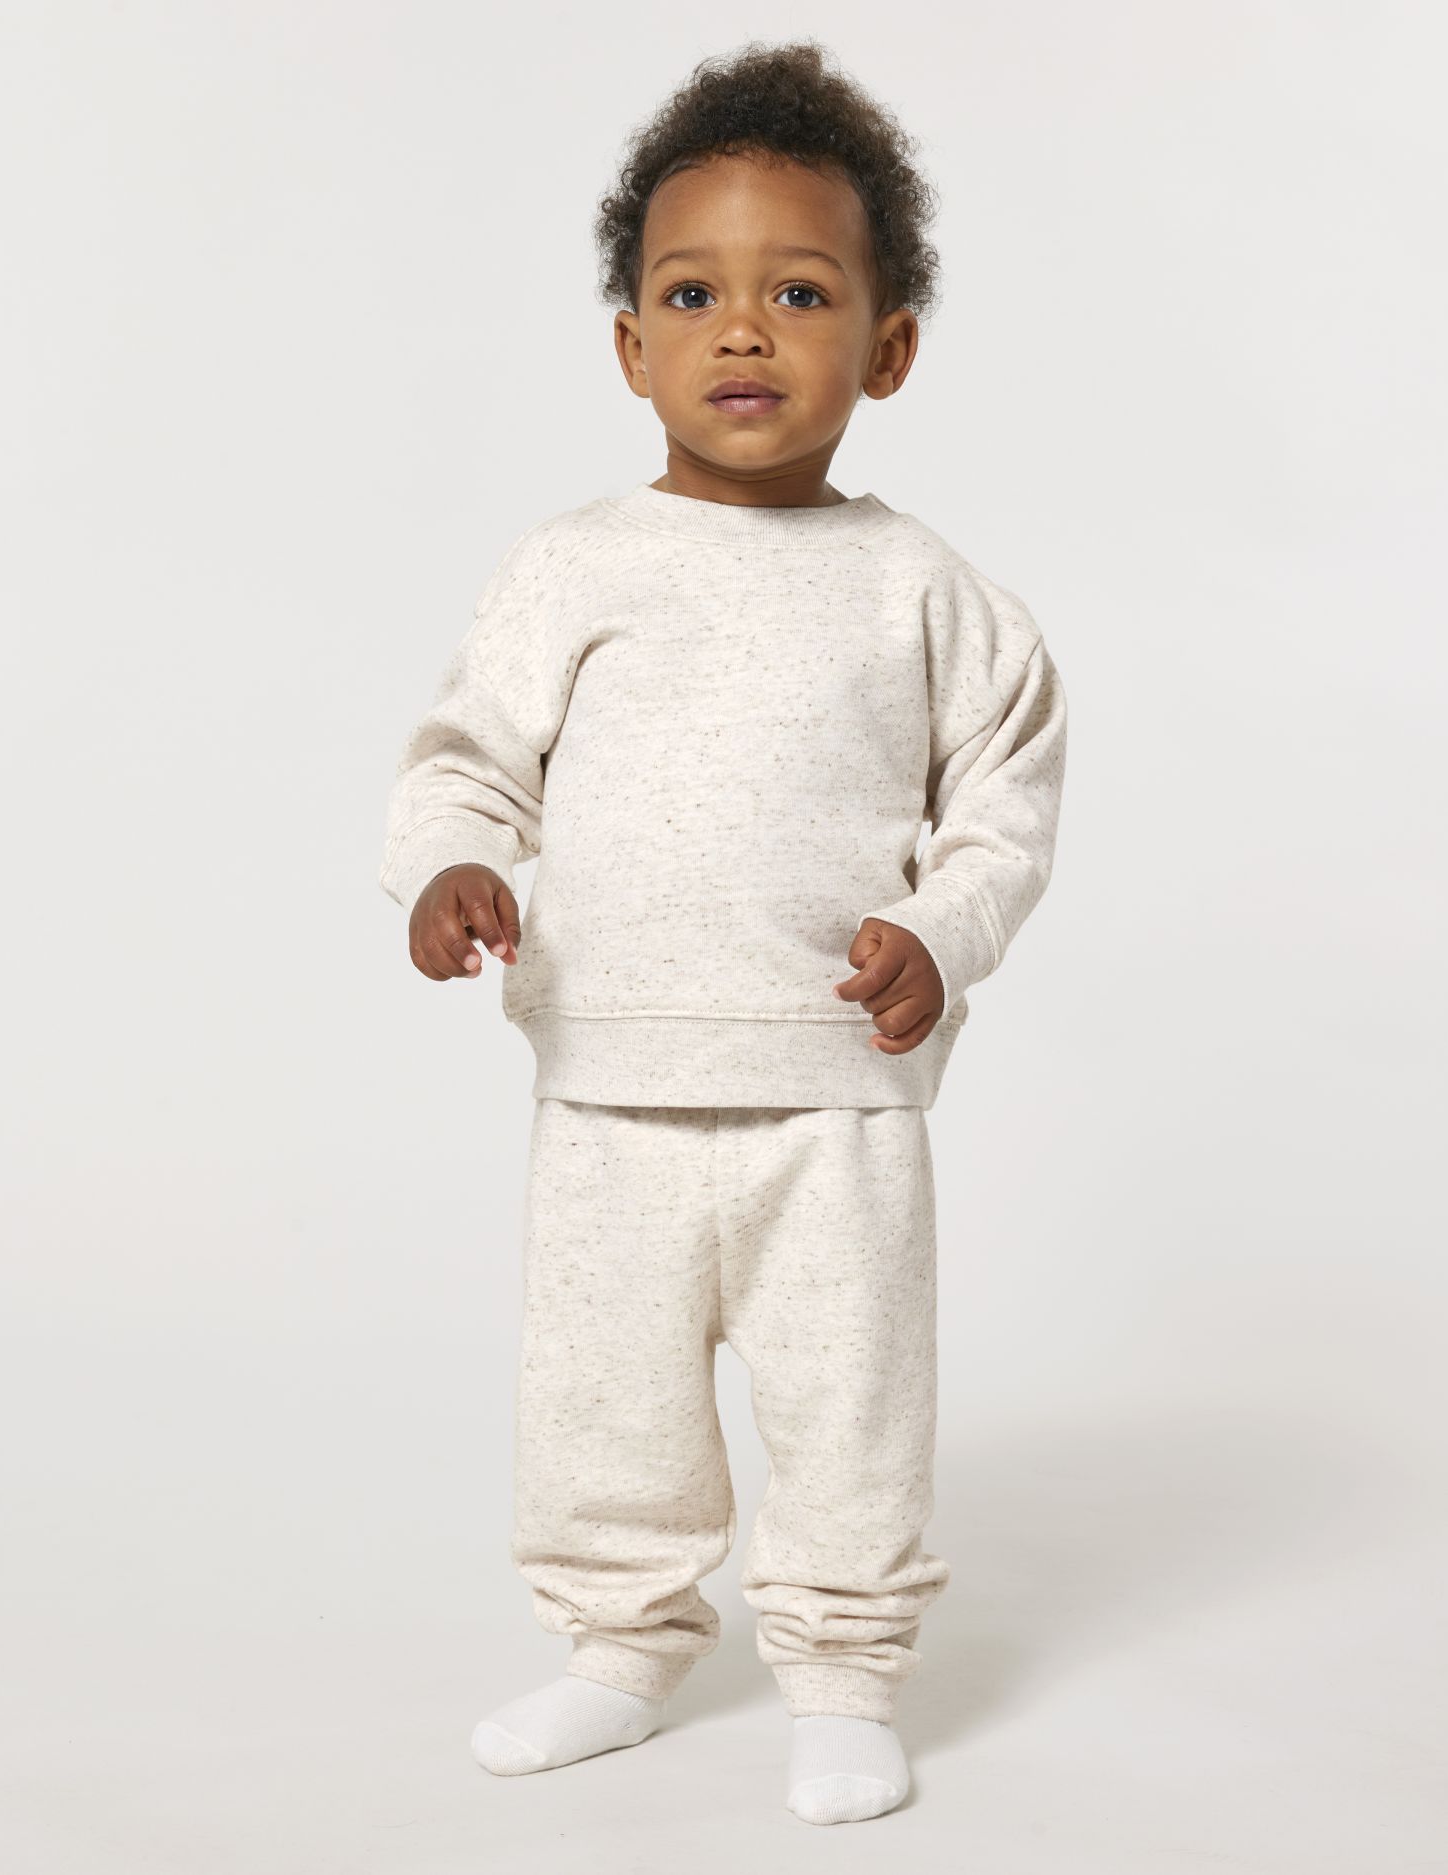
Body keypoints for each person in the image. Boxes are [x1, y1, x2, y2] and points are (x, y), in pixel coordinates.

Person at [378, 39, 1069, 1827]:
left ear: (889, 348)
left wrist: (943, 931)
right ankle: (617, 1650)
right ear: (631, 345)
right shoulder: (571, 568)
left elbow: (1004, 804)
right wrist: (455, 868)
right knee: (602, 1401)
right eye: (693, 294)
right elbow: (467, 762)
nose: (743, 329)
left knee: (852, 1404)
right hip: (610, 1087)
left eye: (801, 293)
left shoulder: (929, 591)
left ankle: (843, 1669)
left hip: (837, 1099)